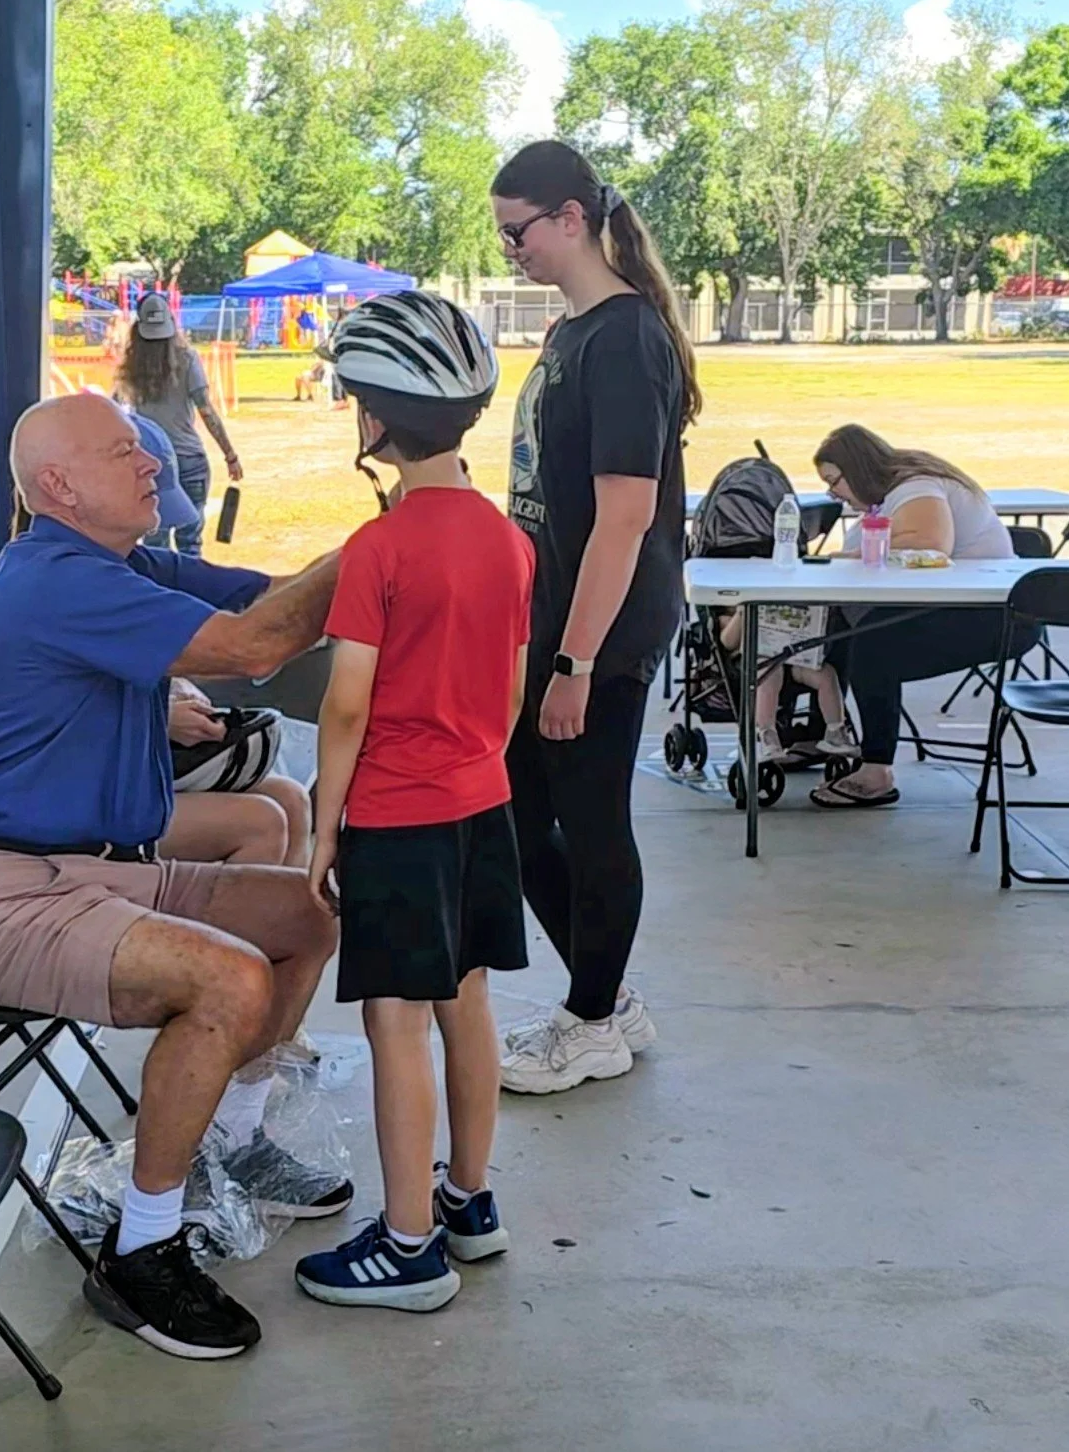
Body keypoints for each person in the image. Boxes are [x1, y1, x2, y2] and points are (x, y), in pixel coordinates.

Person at [0, 393, 351, 1360]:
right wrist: (382, 544)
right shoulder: (53, 580)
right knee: (230, 978)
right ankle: (141, 1249)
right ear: (60, 486)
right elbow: (254, 646)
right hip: (8, 896)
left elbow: (269, 599)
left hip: (101, 874)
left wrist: (371, 562)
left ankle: (229, 1144)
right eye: (124, 454)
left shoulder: (118, 563)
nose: (153, 462)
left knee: (306, 914)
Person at [293, 292, 534, 1312]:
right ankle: (468, 1201)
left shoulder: (379, 548)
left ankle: (405, 1246)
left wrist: (324, 825)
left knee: (393, 1018)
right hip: (482, 802)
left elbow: (346, 703)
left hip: (397, 813)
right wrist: (473, 761)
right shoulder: (508, 539)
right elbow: (510, 689)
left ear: (375, 419)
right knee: (464, 999)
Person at [490, 140, 701, 1095]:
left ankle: (589, 1021)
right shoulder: (571, 332)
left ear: (571, 218)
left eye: (517, 232)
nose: (511, 252)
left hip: (600, 631)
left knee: (589, 818)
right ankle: (603, 997)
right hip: (551, 619)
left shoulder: (624, 339)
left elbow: (625, 516)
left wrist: (575, 664)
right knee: (518, 813)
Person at [809, 424, 1038, 810]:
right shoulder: (888, 498)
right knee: (837, 626)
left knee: (872, 644)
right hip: (966, 608)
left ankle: (876, 770)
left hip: (998, 617)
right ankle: (820, 735)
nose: (834, 494)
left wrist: (849, 556)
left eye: (834, 482)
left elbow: (931, 545)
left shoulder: (916, 486)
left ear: (859, 470)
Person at [129, 411, 311, 865]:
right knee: (262, 822)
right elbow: (249, 650)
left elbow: (264, 590)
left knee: (291, 799)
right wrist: (162, 720)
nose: (156, 527)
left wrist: (366, 556)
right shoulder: (76, 585)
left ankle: (287, 913)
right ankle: (232, 916)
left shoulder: (137, 562)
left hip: (127, 768)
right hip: (72, 797)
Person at [115, 292, 242, 555]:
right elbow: (206, 410)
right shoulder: (187, 358)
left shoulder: (130, 365)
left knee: (155, 543)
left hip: (149, 460)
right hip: (189, 458)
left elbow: (113, 409)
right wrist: (230, 455)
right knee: (190, 542)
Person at [716, 604, 859, 764]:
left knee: (827, 674)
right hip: (761, 663)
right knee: (770, 676)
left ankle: (835, 730)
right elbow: (728, 642)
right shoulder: (726, 618)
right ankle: (768, 735)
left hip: (795, 661)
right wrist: (742, 612)